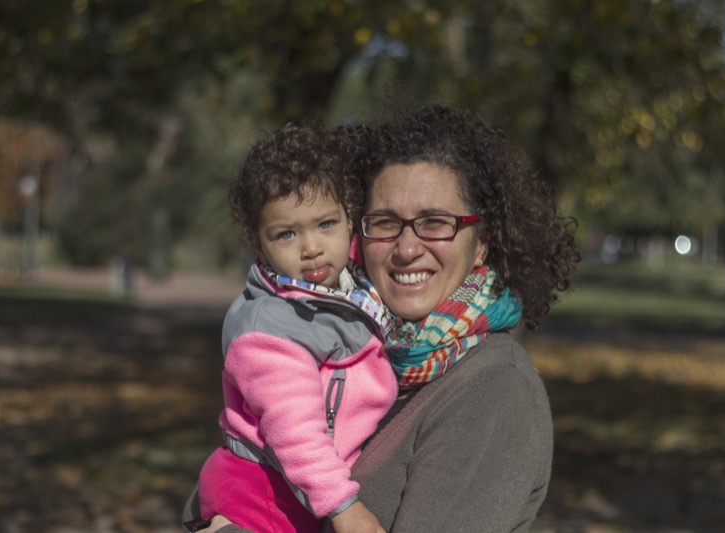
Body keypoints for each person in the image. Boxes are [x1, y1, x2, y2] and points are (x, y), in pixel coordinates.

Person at [184, 105, 579, 532]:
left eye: (434, 223)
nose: (407, 248)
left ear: (481, 243)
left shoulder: (494, 389)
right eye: (386, 223)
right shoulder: (361, 342)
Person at [194, 123, 397, 533]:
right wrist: (345, 510)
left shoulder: (343, 284)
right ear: (260, 244)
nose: (311, 247)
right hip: (263, 498)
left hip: (298, 493)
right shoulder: (268, 331)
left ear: (349, 221)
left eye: (325, 224)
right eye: (287, 233)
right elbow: (295, 432)